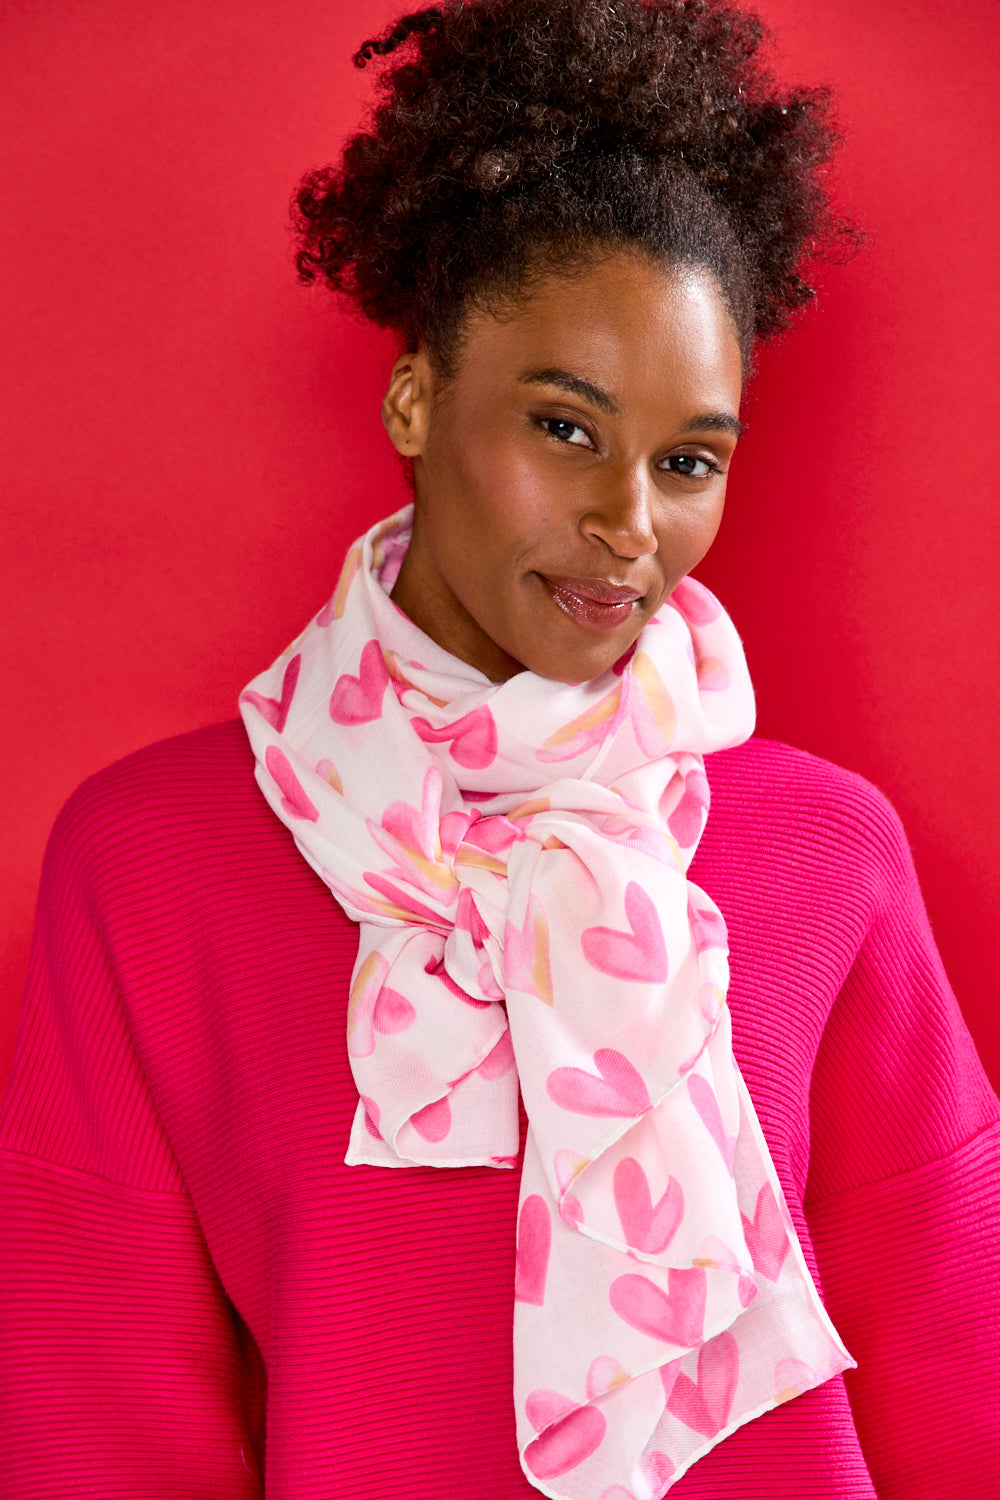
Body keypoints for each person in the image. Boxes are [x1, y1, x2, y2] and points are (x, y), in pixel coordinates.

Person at [2, 1, 998, 1496]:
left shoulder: (827, 855)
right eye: (565, 427)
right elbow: (93, 1414)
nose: (630, 524)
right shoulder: (150, 862)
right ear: (418, 398)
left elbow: (959, 1381)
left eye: (688, 460)